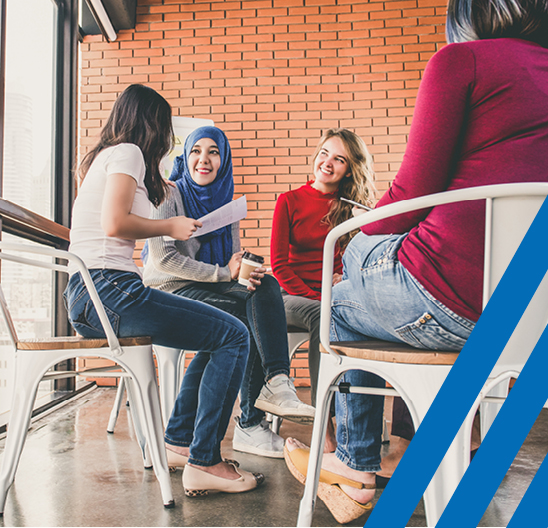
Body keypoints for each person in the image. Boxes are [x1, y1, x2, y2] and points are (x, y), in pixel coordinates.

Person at [284, 0, 548, 523]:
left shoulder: (462, 61)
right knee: (367, 281)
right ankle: (411, 445)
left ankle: (356, 468)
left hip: (452, 298)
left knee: (340, 299)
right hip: (531, 314)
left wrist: (356, 240)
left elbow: (414, 192)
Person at [64, 84, 264, 497]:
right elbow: (114, 224)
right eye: (166, 128)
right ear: (150, 123)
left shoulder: (108, 156)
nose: (168, 139)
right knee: (236, 334)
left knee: (221, 333)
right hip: (109, 291)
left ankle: (177, 443)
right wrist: (168, 227)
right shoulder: (127, 152)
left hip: (92, 294)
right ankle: (205, 460)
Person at [142, 125, 315, 460]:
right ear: (186, 156)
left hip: (205, 285)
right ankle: (250, 423)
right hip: (168, 290)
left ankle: (276, 383)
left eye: (213, 152)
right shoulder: (168, 193)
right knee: (239, 324)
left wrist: (241, 271)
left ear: (224, 160)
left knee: (264, 283)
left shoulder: (227, 204)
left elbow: (229, 268)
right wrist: (224, 273)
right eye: (196, 151)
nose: (203, 160)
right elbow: (163, 259)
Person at [270, 128, 375, 412]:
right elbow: (279, 265)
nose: (327, 163)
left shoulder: (352, 208)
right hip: (290, 294)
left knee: (372, 316)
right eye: (324, 153)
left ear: (350, 170)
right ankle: (323, 419)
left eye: (339, 159)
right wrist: (318, 296)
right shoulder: (289, 201)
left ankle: (359, 415)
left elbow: (357, 262)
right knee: (322, 314)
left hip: (333, 294)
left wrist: (365, 226)